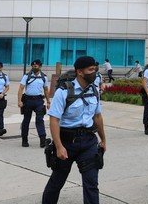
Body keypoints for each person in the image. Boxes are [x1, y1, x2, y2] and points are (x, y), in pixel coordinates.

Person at [42, 56, 106, 204]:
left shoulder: (94, 90)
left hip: (89, 141)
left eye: (95, 69)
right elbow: (54, 120)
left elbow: (97, 117)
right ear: (80, 72)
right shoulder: (63, 92)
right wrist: (59, 147)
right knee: (57, 182)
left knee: (91, 184)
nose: (94, 72)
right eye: (90, 70)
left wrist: (103, 140)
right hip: (66, 142)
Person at [18, 59, 51, 147]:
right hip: (28, 101)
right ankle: (24, 140)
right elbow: (21, 88)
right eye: (33, 66)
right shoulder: (27, 76)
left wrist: (48, 102)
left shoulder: (44, 77)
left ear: (40, 67)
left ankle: (42, 140)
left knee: (40, 120)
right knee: (26, 120)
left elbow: (46, 90)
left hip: (39, 101)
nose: (34, 67)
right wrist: (19, 101)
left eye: (36, 66)